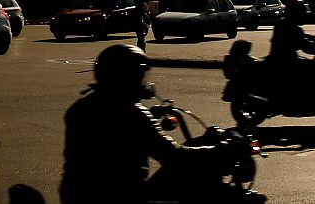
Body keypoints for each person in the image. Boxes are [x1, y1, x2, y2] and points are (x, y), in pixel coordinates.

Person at [59, 43, 219, 204]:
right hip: (125, 195)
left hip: (76, 194)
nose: (144, 82)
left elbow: (115, 128)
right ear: (129, 75)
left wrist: (152, 114)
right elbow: (173, 156)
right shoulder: (135, 115)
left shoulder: (81, 107)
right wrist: (219, 151)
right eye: (140, 74)